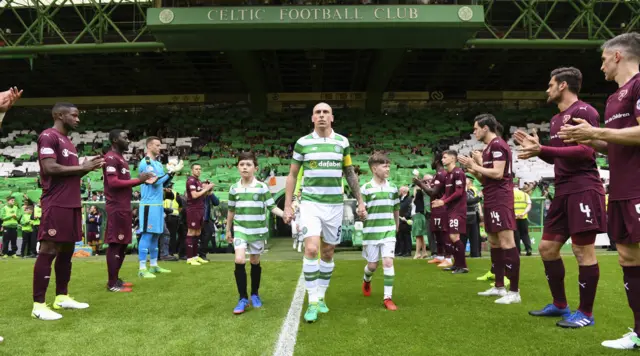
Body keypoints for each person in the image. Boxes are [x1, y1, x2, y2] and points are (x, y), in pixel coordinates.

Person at [559, 32, 640, 348]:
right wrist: (586, 138)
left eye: (604, 58)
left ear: (618, 55)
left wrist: (595, 130)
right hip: (619, 188)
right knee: (627, 259)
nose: (602, 65)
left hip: (637, 187)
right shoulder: (613, 98)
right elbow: (614, 144)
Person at [516, 67, 606, 327]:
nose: (548, 89)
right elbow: (556, 154)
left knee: (582, 250)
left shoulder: (584, 112)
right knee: (547, 248)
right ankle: (559, 305)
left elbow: (586, 152)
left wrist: (542, 147)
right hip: (563, 189)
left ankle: (586, 314)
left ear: (563, 85)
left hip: (583, 188)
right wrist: (537, 150)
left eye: (550, 84)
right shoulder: (556, 120)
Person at [282, 102, 366, 323]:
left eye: (325, 112)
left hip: (335, 206)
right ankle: (312, 302)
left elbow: (349, 173)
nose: (321, 116)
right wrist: (288, 205)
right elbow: (292, 175)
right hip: (310, 204)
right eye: (317, 112)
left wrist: (360, 201)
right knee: (311, 249)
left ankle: (321, 296)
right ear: (312, 118)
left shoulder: (342, 142)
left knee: (328, 252)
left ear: (332, 117)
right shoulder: (302, 143)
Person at [32, 102, 104, 321]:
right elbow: (49, 168)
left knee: (67, 251)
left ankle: (61, 297)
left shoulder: (70, 144)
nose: (78, 119)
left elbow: (69, 174)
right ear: (59, 115)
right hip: (56, 203)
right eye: (74, 115)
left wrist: (87, 167)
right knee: (49, 249)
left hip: (72, 203)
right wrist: (82, 167)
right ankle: (38, 304)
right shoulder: (48, 136)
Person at [459, 114, 521, 304]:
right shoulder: (487, 150)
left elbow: (498, 173)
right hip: (491, 196)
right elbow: (486, 179)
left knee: (507, 242)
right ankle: (499, 286)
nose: (474, 131)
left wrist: (473, 164)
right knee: (494, 242)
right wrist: (475, 169)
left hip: (501, 198)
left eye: (476, 128)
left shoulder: (498, 145)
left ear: (486, 128)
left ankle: (515, 292)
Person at [226, 152, 284, 314]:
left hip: (257, 231)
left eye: (248, 164)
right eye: (242, 164)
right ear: (238, 167)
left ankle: (255, 294)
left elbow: (272, 207)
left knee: (254, 261)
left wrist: (285, 215)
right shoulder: (233, 188)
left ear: (255, 168)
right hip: (240, 229)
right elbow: (231, 210)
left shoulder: (262, 187)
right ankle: (243, 298)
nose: (245, 167)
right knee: (239, 259)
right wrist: (228, 229)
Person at [103, 129, 153, 292]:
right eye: (125, 138)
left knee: (123, 243)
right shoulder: (110, 157)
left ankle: (116, 279)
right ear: (115, 140)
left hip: (124, 206)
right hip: (116, 207)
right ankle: (112, 283)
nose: (128, 141)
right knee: (115, 243)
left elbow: (123, 183)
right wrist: (138, 180)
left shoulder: (120, 159)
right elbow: (113, 183)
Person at [137, 137, 182, 278]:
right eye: (157, 145)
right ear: (149, 146)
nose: (159, 148)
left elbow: (163, 183)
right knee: (147, 234)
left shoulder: (157, 164)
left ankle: (154, 265)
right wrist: (170, 172)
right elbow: (154, 182)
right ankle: (142, 268)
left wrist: (172, 173)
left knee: (156, 234)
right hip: (148, 204)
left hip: (157, 204)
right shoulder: (147, 163)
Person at [360, 152, 400, 310]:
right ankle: (366, 280)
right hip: (371, 232)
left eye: (388, 166)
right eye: (385, 166)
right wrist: (361, 214)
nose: (388, 169)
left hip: (388, 230)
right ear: (374, 168)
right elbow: (362, 211)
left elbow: (396, 208)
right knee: (372, 266)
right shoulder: (365, 189)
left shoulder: (393, 187)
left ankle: (387, 298)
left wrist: (396, 225)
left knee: (388, 262)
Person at [431, 150, 468, 274]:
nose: (442, 160)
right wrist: (440, 201)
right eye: (442, 157)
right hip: (450, 209)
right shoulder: (447, 175)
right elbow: (447, 194)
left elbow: (459, 192)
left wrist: (444, 201)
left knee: (454, 236)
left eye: (445, 157)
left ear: (453, 159)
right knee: (451, 237)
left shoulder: (458, 172)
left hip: (458, 210)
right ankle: (456, 264)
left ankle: (462, 266)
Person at [414, 157, 451, 267]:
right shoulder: (436, 175)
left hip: (442, 207)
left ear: (436, 161)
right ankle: (440, 256)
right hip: (435, 208)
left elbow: (433, 192)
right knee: (437, 233)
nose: (431, 162)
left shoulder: (441, 174)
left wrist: (419, 183)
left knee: (444, 233)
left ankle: (448, 257)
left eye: (432, 160)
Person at [185, 163, 214, 266]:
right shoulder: (191, 180)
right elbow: (194, 195)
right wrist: (206, 188)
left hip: (200, 209)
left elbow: (203, 194)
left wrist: (209, 189)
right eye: (196, 169)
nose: (198, 171)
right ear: (192, 170)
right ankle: (189, 258)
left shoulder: (198, 181)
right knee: (191, 232)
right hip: (193, 209)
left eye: (200, 169)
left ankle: (195, 256)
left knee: (198, 232)